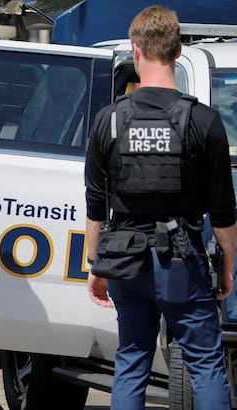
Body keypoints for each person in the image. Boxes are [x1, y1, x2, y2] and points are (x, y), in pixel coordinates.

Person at [85, 6, 236, 410]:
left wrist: (95, 263)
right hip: (182, 261)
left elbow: (95, 203)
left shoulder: (109, 120)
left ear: (135, 50)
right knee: (205, 364)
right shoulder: (203, 121)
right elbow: (223, 209)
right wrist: (226, 267)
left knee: (132, 361)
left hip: (124, 261)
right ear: (178, 50)